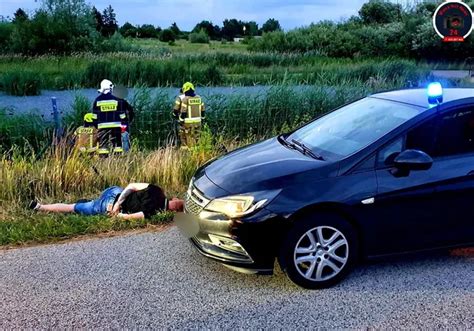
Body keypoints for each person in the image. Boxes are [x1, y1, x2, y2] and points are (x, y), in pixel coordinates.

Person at [28, 183, 184, 220]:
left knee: (87, 203)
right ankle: (39, 207)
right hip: (106, 207)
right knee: (72, 207)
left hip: (114, 192)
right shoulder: (152, 213)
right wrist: (116, 212)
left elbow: (131, 186)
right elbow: (127, 217)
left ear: (174, 200)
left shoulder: (157, 189)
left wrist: (118, 203)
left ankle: (89, 202)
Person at [92, 79, 129, 156]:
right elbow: (122, 115)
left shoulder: (97, 100)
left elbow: (94, 117)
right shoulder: (117, 99)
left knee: (103, 144)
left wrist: (97, 126)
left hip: (102, 126)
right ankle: (118, 157)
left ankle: (103, 157)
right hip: (116, 126)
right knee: (117, 143)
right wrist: (124, 124)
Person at [172, 82, 205, 148]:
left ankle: (188, 153)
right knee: (197, 139)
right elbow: (203, 110)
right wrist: (203, 119)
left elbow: (183, 112)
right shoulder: (199, 98)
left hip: (188, 123)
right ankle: (197, 153)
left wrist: (180, 120)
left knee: (187, 138)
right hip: (198, 122)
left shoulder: (185, 99)